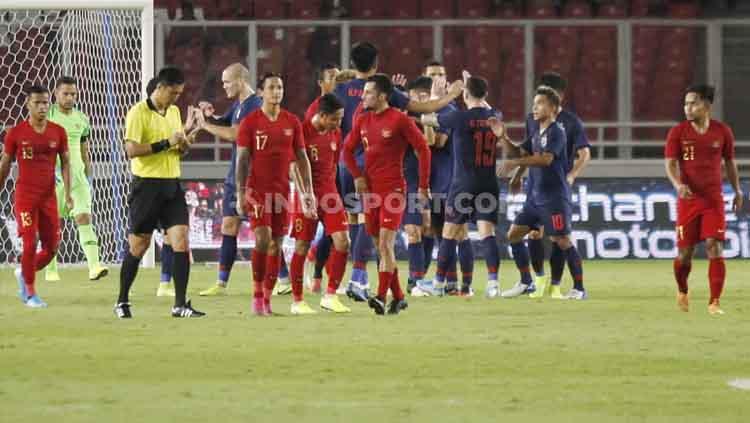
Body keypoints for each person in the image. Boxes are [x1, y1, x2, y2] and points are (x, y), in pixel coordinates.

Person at [331, 42, 464, 302]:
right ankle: (367, 281)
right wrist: (451, 95)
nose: (364, 97)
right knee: (379, 235)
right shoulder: (383, 97)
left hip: (351, 169)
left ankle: (371, 285)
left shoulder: (341, 91)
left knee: (367, 230)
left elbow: (325, 119)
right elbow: (424, 112)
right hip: (371, 172)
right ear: (376, 63)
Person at [114, 66, 203, 318]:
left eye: (179, 93)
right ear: (160, 88)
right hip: (146, 187)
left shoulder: (174, 112)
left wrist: (185, 143)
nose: (177, 98)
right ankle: (122, 301)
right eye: (173, 93)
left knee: (181, 242)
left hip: (171, 186)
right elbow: (131, 150)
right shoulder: (138, 112)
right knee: (139, 246)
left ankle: (179, 304)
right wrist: (167, 143)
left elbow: (178, 150)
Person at [342, 74, 431, 315]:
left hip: (393, 191)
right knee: (380, 247)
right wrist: (358, 176)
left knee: (384, 244)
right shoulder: (362, 120)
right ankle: (399, 296)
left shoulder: (399, 120)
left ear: (382, 96)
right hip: (370, 193)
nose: (363, 96)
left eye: (368, 92)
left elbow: (423, 148)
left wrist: (423, 186)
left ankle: (381, 296)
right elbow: (347, 150)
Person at [235, 73, 316, 316]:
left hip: (282, 191)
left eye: (280, 87)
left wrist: (308, 192)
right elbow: (242, 160)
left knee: (277, 244)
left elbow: (302, 159)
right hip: (257, 190)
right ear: (261, 92)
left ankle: (267, 298)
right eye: (271, 87)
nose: (276, 91)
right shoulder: (250, 123)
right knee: (262, 238)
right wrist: (240, 193)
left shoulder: (292, 122)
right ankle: (257, 295)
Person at [507, 72, 591, 298]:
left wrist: (572, 174)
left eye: (541, 100)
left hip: (554, 190)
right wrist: (518, 174)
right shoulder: (533, 121)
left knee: (559, 239)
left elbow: (583, 153)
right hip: (535, 191)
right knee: (526, 235)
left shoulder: (567, 126)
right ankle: (534, 281)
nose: (535, 105)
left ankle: (566, 286)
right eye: (536, 99)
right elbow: (529, 150)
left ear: (557, 99)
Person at [422, 75, 504, 298]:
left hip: (463, 184)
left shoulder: (458, 118)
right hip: (488, 182)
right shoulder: (495, 116)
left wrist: (436, 97)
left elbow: (427, 119)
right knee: (487, 234)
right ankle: (493, 284)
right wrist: (473, 87)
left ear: (465, 95)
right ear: (485, 95)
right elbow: (488, 107)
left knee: (449, 234)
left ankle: (439, 283)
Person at [665, 84, 742, 315]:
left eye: (693, 103)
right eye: (686, 103)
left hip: (713, 200)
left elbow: (730, 162)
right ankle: (682, 289)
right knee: (684, 253)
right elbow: (670, 163)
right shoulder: (678, 132)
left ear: (707, 105)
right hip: (688, 201)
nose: (688, 108)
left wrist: (737, 190)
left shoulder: (722, 132)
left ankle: (714, 302)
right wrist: (678, 185)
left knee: (714, 245)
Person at [190, 63, 264, 297]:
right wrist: (211, 116)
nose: (223, 87)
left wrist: (204, 125)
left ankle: (281, 279)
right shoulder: (240, 105)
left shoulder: (254, 105)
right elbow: (226, 123)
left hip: (252, 178)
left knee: (262, 231)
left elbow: (235, 134)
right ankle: (221, 284)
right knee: (228, 226)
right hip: (235, 175)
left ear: (241, 81)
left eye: (227, 82)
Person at [0, 85, 73, 308]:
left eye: (45, 103)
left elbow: (66, 163)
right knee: (30, 243)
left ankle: (24, 271)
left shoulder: (58, 132)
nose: (42, 107)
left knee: (52, 249)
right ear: (28, 104)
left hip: (49, 198)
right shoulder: (16, 133)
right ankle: (30, 293)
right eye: (37, 103)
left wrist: (68, 194)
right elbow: (5, 163)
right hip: (26, 197)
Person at [288, 93, 351, 314]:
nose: (338, 123)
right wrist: (306, 195)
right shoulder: (302, 132)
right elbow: (294, 167)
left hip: (329, 193)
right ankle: (297, 301)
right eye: (335, 118)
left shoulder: (336, 133)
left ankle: (330, 296)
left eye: (340, 119)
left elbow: (333, 167)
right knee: (302, 246)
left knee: (343, 241)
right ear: (322, 115)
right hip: (306, 194)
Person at [42, 77, 109, 283]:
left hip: (78, 179)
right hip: (53, 178)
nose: (70, 97)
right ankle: (51, 269)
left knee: (84, 217)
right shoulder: (48, 115)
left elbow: (84, 150)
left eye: (73, 94)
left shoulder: (82, 118)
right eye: (66, 93)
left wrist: (88, 176)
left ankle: (94, 266)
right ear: (56, 94)